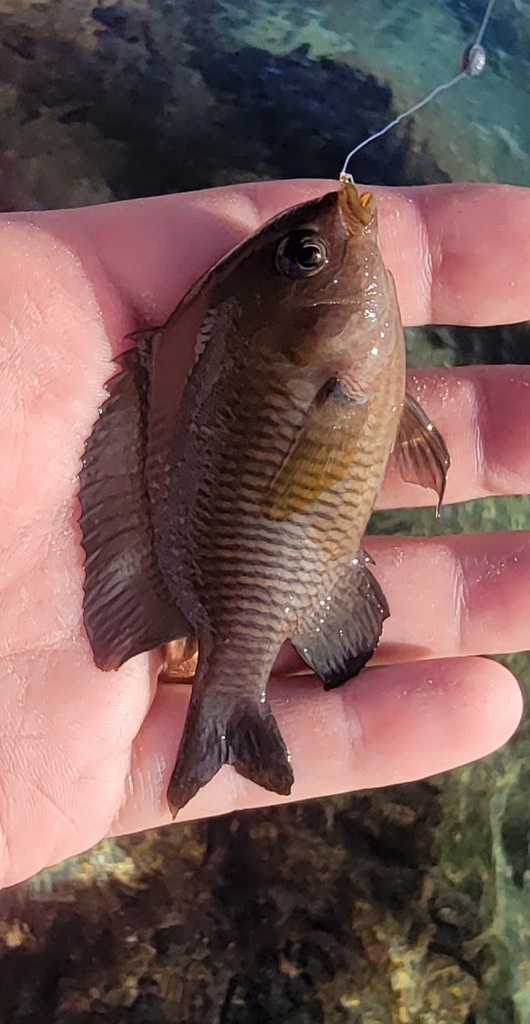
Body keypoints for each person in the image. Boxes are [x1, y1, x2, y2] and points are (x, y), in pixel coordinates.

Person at [0, 179, 528, 887]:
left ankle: (228, 709)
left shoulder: (311, 356)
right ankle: (229, 708)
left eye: (304, 256)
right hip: (265, 545)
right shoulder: (327, 363)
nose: (336, 236)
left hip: (244, 538)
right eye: (309, 256)